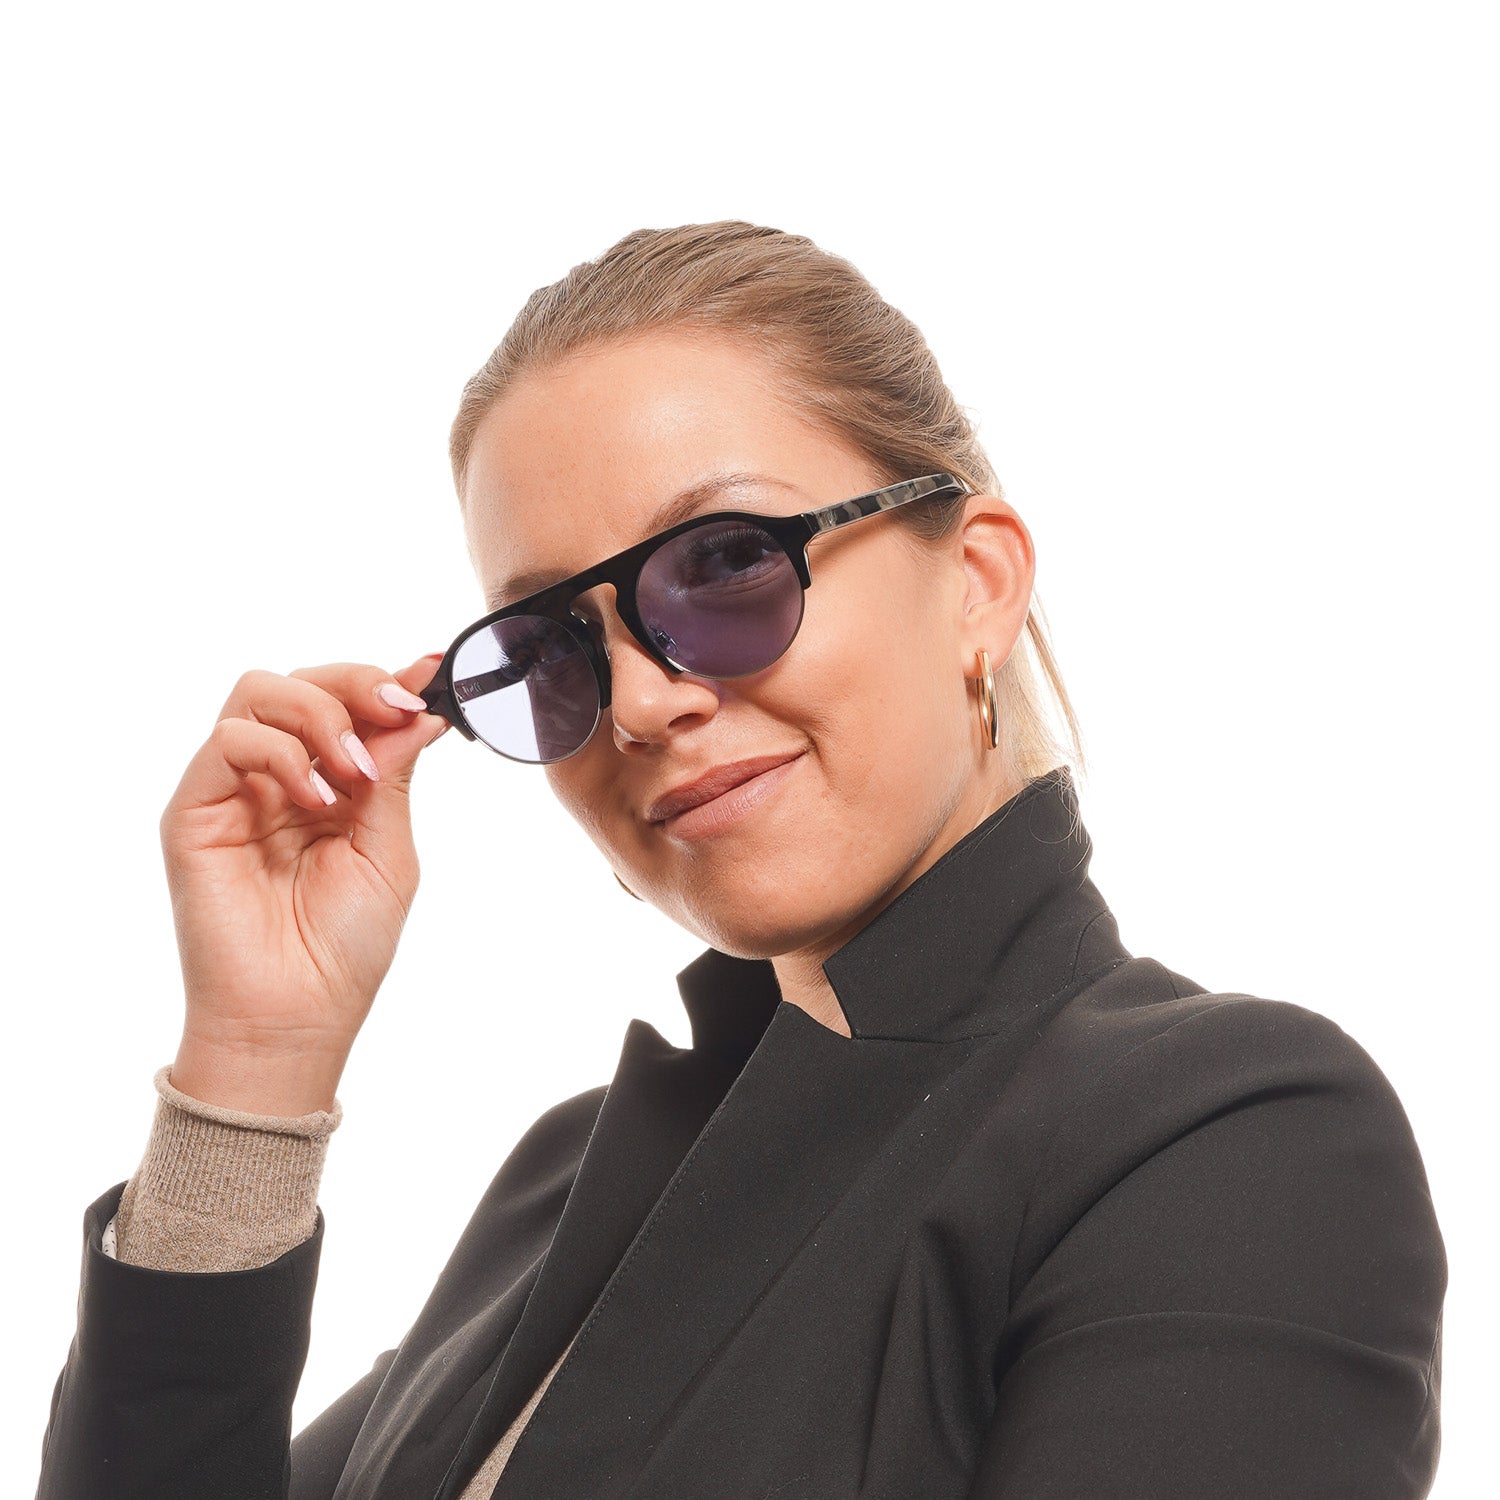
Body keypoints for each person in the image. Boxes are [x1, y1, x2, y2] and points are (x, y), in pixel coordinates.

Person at [35, 221, 1446, 1499]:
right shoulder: (563, 1186)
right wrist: (253, 1069)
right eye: (553, 647)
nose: (643, 704)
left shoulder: (1227, 1137)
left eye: (726, 567)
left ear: (976, 582)